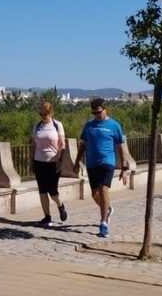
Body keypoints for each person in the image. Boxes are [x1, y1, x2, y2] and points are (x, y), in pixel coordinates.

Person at [73, 98, 129, 237]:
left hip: (107, 162)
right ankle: (107, 208)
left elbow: (121, 147)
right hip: (92, 164)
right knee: (94, 194)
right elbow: (83, 144)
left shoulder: (114, 125)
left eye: (98, 112)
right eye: (94, 113)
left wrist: (124, 168)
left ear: (105, 108)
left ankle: (103, 224)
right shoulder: (89, 125)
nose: (97, 115)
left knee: (104, 191)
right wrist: (76, 161)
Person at [29, 101, 67, 226]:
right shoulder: (37, 125)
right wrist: (31, 161)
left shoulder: (57, 125)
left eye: (45, 114)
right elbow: (33, 145)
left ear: (50, 113)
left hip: (53, 161)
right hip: (39, 161)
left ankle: (60, 205)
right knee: (42, 190)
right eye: (41, 114)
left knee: (53, 191)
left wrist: (60, 161)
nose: (43, 116)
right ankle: (47, 216)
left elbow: (62, 145)